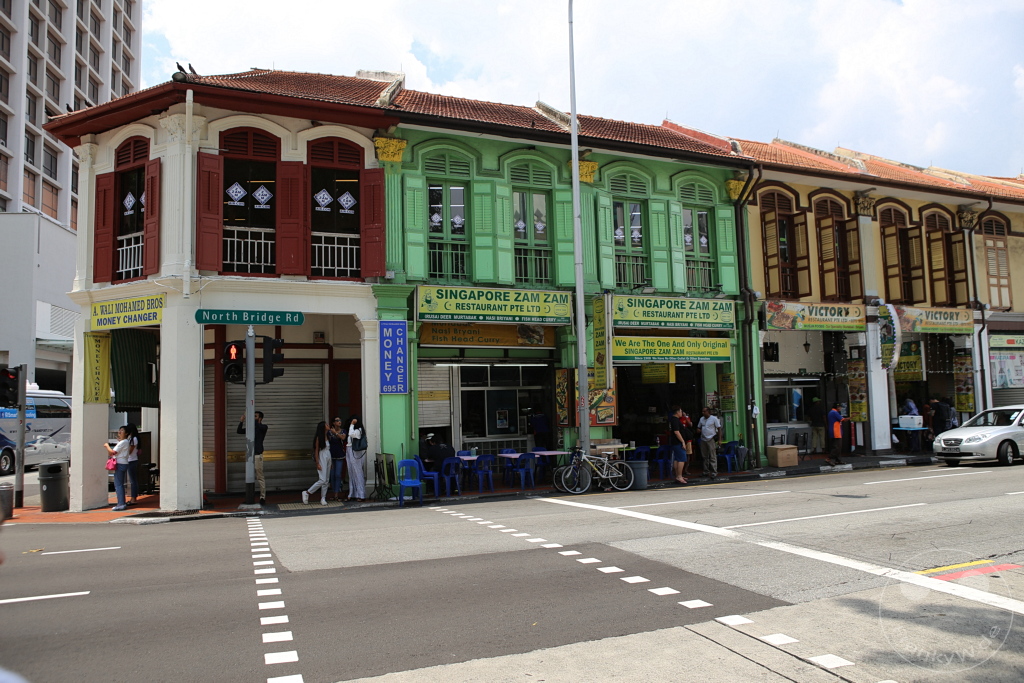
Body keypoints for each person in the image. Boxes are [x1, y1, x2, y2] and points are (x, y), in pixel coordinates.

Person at [238, 411, 268, 505]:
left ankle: (262, 497)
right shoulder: (251, 428)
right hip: (250, 455)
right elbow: (239, 431)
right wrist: (241, 421)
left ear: (260, 418)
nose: (253, 418)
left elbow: (258, 426)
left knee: (260, 477)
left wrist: (251, 419)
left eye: (255, 416)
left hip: (258, 455)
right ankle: (249, 497)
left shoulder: (263, 427)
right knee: (249, 477)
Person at [103, 425, 135, 511]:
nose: (119, 432)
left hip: (120, 464)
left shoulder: (123, 442)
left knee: (118, 485)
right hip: (123, 463)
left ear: (126, 433)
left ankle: (121, 503)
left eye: (122, 430)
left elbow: (112, 452)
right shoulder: (125, 442)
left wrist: (106, 446)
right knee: (119, 484)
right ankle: (121, 503)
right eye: (119, 430)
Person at [302, 421, 332, 506]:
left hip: (328, 455)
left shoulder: (328, 436)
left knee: (326, 480)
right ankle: (307, 492)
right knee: (322, 479)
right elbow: (316, 450)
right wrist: (317, 462)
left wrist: (331, 462)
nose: (328, 425)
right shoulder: (319, 437)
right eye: (326, 425)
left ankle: (323, 497)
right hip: (322, 456)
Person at [697, 406, 722, 480]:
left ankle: (714, 471)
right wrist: (698, 430)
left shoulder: (714, 419)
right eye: (702, 411)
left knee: (712, 455)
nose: (703, 413)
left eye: (704, 411)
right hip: (703, 439)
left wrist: (719, 439)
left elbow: (719, 429)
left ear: (709, 412)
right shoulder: (701, 419)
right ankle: (706, 471)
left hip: (711, 438)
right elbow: (698, 427)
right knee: (705, 456)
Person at [346, 415, 367, 502]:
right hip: (349, 450)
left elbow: (351, 434)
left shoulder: (358, 431)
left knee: (358, 472)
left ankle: (361, 494)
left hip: (355, 452)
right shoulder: (354, 429)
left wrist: (352, 424)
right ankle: (353, 493)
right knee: (351, 472)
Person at [328, 417, 348, 502]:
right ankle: (334, 493)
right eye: (337, 421)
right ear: (333, 423)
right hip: (331, 455)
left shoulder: (343, 431)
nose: (339, 422)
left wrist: (335, 433)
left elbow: (343, 438)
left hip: (340, 455)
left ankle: (337, 493)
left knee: (338, 474)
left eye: (340, 420)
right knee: (332, 475)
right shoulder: (329, 432)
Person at [668, 405, 689, 485]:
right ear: (678, 412)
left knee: (677, 459)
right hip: (678, 442)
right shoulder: (675, 420)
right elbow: (676, 432)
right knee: (682, 459)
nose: (681, 413)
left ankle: (678, 475)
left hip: (675, 442)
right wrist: (683, 441)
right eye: (681, 411)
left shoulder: (673, 420)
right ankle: (679, 476)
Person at [123, 423, 140, 505]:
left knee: (133, 480)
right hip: (131, 460)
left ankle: (133, 498)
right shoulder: (132, 438)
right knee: (133, 480)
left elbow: (130, 451)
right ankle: (133, 497)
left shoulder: (134, 439)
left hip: (132, 460)